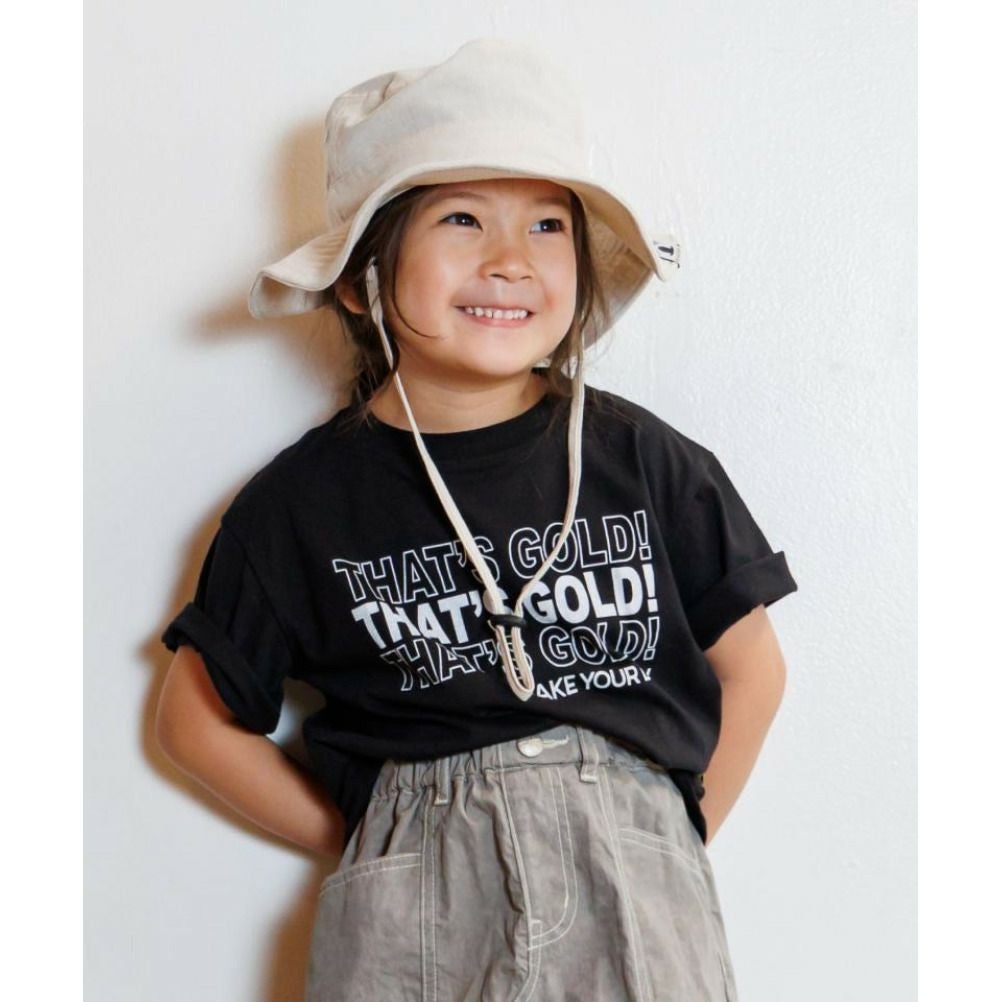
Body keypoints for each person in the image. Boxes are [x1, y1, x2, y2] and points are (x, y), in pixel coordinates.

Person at [156, 37, 797, 1002]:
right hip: (419, 902)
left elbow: (753, 666)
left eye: (547, 225)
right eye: (462, 218)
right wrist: (372, 841)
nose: (510, 260)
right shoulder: (301, 505)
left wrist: (673, 832)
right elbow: (194, 721)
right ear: (359, 278)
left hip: (631, 868)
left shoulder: (641, 461)